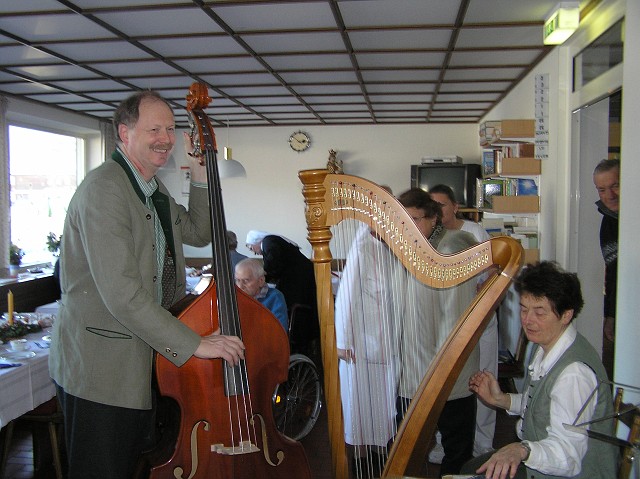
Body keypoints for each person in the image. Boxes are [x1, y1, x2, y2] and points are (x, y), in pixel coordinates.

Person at [49, 91, 246, 479]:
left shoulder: (152, 190)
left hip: (140, 363)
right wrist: (197, 343)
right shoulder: (106, 189)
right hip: (102, 373)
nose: (166, 137)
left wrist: (201, 172)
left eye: (170, 129)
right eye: (153, 128)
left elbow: (201, 230)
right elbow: (122, 294)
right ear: (124, 133)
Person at [463, 261, 618, 479]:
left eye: (539, 312)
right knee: (470, 469)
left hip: (573, 473)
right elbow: (539, 404)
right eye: (524, 309)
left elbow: (568, 458)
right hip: (543, 466)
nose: (528, 320)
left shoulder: (574, 374)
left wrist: (522, 450)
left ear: (566, 315)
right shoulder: (548, 344)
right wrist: (502, 399)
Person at [395, 188, 480, 475]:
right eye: (402, 220)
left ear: (433, 218)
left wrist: (438, 370)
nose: (409, 227)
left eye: (415, 219)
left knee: (456, 450)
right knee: (407, 446)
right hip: (413, 370)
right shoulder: (406, 249)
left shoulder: (449, 247)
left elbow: (454, 318)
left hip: (448, 368)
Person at [429, 183, 498, 459]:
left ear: (455, 206)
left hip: (478, 321)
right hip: (447, 326)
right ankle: (442, 441)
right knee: (447, 385)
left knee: (482, 380)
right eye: (431, 206)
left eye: (442, 205)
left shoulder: (474, 232)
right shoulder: (431, 238)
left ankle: (483, 444)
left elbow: (493, 270)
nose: (437, 211)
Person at [334, 221, 403, 476]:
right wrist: (342, 344)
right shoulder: (362, 248)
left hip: (388, 341)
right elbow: (345, 298)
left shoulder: (391, 248)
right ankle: (362, 464)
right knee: (361, 406)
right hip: (361, 346)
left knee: (382, 405)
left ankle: (380, 455)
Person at [245, 230, 319, 353]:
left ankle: (295, 343)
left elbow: (273, 266)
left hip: (298, 280)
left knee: (291, 306)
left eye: (250, 247)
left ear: (256, 242)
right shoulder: (271, 242)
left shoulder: (269, 242)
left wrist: (260, 279)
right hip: (298, 278)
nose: (252, 251)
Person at [592, 158, 619, 380]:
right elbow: (613, 272)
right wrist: (609, 315)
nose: (609, 195)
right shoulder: (608, 222)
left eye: (615, 185)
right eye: (602, 189)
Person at [234, 258, 288, 332]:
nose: (240, 286)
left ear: (261, 281)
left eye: (246, 281)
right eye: (238, 280)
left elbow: (280, 330)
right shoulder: (234, 298)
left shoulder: (275, 297)